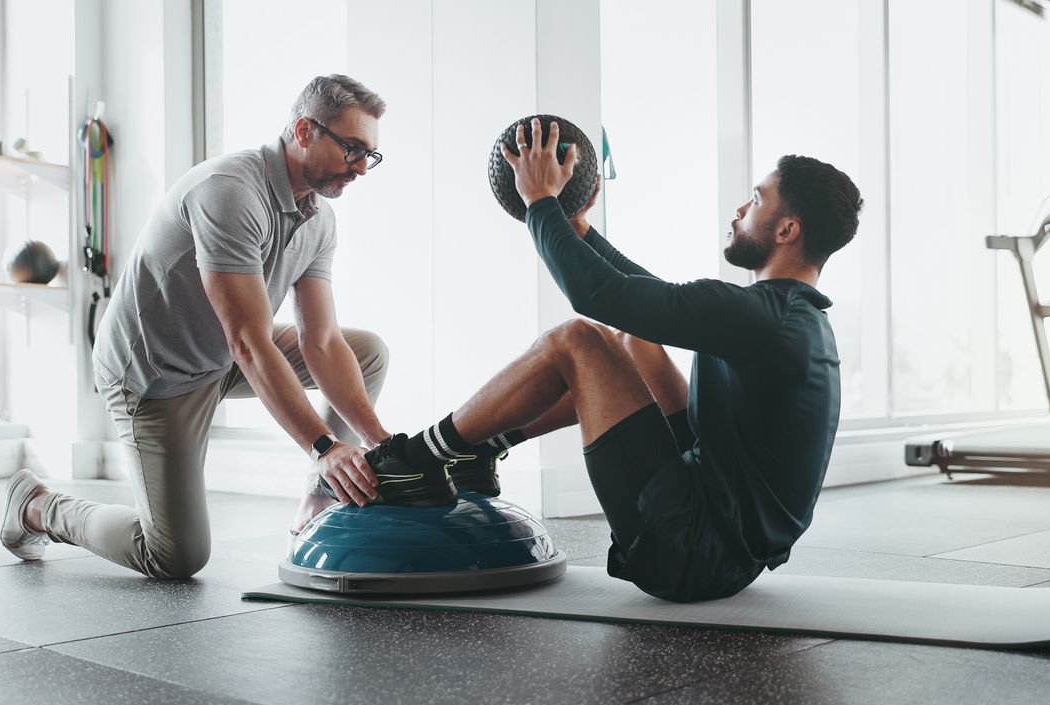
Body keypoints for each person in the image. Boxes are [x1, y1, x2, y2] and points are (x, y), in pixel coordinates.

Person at [342, 119, 862, 602]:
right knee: (638, 339)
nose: (740, 210)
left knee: (575, 339)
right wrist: (578, 228)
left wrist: (540, 202)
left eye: (756, 200)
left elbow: (598, 296)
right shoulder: (787, 314)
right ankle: (480, 451)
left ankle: (417, 459)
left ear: (787, 231)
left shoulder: (764, 314)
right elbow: (647, 299)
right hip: (725, 547)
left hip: (691, 553)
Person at [0, 74, 418, 579]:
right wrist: (325, 447)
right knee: (175, 555)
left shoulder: (319, 219)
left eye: (369, 155)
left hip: (223, 354)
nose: (361, 168)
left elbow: (322, 341)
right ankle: (38, 506)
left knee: (366, 351)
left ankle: (323, 497)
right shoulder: (230, 191)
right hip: (156, 374)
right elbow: (249, 342)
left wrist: (380, 442)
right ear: (304, 131)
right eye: (352, 149)